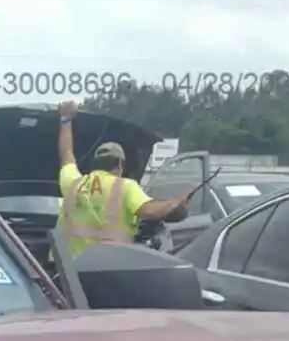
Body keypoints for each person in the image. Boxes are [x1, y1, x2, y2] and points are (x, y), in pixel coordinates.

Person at [54, 101, 189, 258]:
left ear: (95, 164)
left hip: (67, 271)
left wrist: (65, 119)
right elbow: (149, 211)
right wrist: (177, 200)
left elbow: (66, 153)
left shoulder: (73, 183)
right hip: (109, 269)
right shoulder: (125, 187)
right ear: (119, 165)